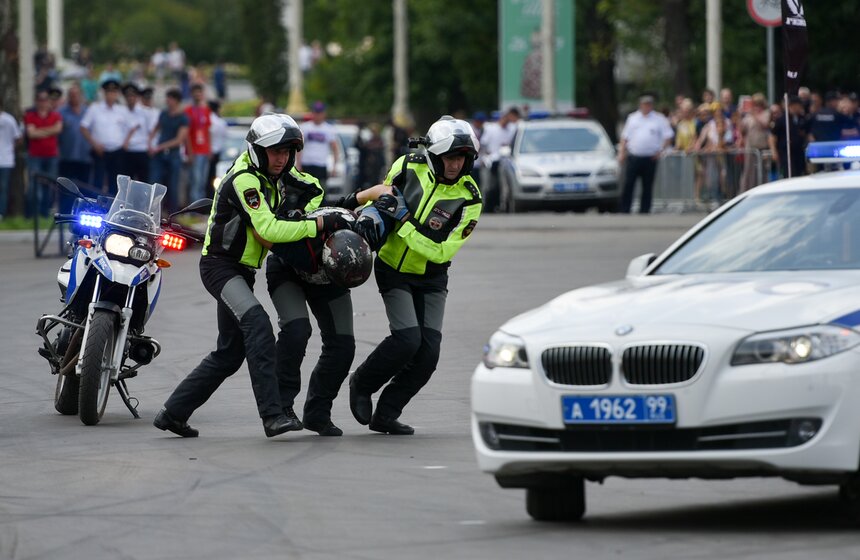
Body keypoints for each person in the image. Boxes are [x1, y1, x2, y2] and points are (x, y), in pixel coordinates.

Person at [153, 113, 351, 439]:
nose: (281, 159)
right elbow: (268, 229)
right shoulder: (246, 180)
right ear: (257, 150)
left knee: (229, 354)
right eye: (274, 151)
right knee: (257, 324)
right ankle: (273, 416)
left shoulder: (274, 178)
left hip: (242, 272)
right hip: (220, 266)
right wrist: (318, 224)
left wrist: (348, 203)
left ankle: (173, 413)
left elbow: (313, 194)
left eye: (287, 152)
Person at [348, 115, 483, 435]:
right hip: (393, 268)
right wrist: (368, 216)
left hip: (433, 276)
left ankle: (387, 413)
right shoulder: (406, 166)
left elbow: (442, 251)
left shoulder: (471, 197)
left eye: (462, 158)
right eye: (450, 157)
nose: (455, 165)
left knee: (428, 354)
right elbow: (383, 201)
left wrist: (405, 220)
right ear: (434, 155)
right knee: (407, 339)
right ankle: (362, 383)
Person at [266, 186, 394, 437]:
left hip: (332, 279)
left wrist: (380, 195)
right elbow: (269, 236)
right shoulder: (302, 247)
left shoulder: (370, 233)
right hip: (289, 271)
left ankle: (318, 412)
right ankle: (280, 408)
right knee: (296, 330)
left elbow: (381, 200)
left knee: (343, 345)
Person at [617, 94, 674, 214]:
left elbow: (668, 136)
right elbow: (625, 137)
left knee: (647, 185)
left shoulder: (659, 119)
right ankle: (625, 208)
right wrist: (622, 152)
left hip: (650, 157)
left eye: (649, 104)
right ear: (640, 105)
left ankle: (645, 209)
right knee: (629, 184)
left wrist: (660, 151)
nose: (646, 106)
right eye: (644, 104)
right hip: (634, 156)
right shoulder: (633, 118)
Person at [80, 78, 129, 194]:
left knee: (116, 183)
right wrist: (94, 144)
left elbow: (130, 128)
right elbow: (83, 127)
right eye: (108, 92)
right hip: (100, 151)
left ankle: (113, 209)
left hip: (117, 151)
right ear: (104, 93)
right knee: (98, 181)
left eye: (114, 92)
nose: (111, 95)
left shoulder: (122, 110)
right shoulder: (95, 108)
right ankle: (96, 210)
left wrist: (126, 142)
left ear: (117, 94)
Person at [148, 88, 189, 212]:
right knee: (155, 182)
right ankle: (154, 210)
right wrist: (150, 142)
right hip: (160, 155)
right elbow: (156, 128)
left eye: (170, 98)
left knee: (173, 185)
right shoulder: (164, 114)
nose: (167, 101)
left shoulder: (183, 118)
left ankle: (172, 211)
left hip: (173, 154)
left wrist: (160, 146)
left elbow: (179, 139)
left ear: (176, 101)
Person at [24, 89, 63, 217]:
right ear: (36, 101)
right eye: (40, 100)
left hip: (51, 155)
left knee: (50, 185)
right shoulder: (30, 115)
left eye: (45, 99)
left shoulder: (55, 115)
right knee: (35, 186)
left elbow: (58, 129)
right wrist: (49, 131)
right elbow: (31, 134)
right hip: (35, 156)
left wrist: (39, 131)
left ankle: (45, 213)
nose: (43, 102)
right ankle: (34, 215)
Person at [57, 82, 92, 210]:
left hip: (85, 157)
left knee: (85, 188)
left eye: (76, 95)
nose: (74, 97)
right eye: (71, 95)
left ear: (81, 96)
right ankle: (65, 213)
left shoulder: (88, 112)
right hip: (67, 157)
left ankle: (82, 213)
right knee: (66, 188)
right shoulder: (61, 113)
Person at [478, 107, 520, 212]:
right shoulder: (492, 128)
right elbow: (483, 144)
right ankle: (487, 207)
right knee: (489, 186)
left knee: (503, 187)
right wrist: (484, 155)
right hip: (491, 162)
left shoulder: (511, 129)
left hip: (504, 162)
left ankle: (502, 206)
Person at [297, 101, 339, 189]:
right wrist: (298, 164)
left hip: (321, 164)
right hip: (307, 164)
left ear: (324, 114)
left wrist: (335, 166)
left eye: (319, 113)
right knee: (305, 190)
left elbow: (335, 149)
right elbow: (299, 148)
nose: (317, 115)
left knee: (320, 190)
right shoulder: (305, 127)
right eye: (315, 112)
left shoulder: (329, 129)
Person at [185, 83, 212, 203]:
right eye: (195, 92)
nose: (198, 94)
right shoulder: (188, 111)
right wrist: (189, 152)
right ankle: (194, 208)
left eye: (199, 92)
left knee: (202, 181)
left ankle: (200, 208)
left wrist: (210, 149)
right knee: (195, 180)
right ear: (192, 94)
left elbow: (208, 131)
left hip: (204, 150)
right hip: (194, 151)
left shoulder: (206, 110)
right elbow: (186, 133)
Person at [768, 95, 808, 179]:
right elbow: (772, 136)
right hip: (786, 152)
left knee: (800, 173)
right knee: (790, 173)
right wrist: (773, 151)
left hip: (799, 151)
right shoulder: (782, 119)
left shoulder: (802, 118)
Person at [120, 83, 150, 182]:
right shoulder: (121, 111)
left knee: (143, 183)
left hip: (142, 151)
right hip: (127, 152)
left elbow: (152, 130)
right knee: (126, 185)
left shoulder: (145, 112)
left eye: (133, 95)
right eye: (128, 96)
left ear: (137, 97)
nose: (130, 98)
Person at [0, 101, 22, 219]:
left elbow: (18, 137)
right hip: (6, 159)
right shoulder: (10, 119)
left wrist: (10, 148)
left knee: (3, 188)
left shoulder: (8, 119)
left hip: (5, 159)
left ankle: (1, 212)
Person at [206, 100, 228, 194]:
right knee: (212, 176)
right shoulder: (220, 122)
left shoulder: (210, 120)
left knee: (207, 177)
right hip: (216, 151)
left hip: (208, 151)